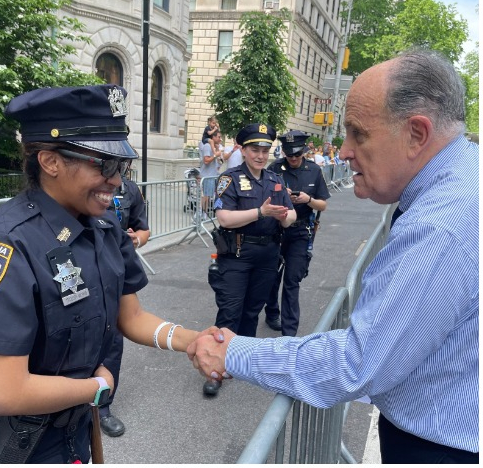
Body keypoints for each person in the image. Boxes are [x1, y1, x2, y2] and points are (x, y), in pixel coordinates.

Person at [188, 50, 479, 464]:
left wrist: (235, 353)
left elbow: (357, 362)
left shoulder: (441, 226)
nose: (344, 152)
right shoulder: (462, 186)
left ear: (417, 134)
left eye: (358, 134)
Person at [0, 85, 224, 463]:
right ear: (50, 161)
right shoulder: (7, 241)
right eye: (104, 164)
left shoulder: (105, 229)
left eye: (122, 166)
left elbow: (132, 317)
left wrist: (193, 339)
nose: (117, 180)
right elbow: (4, 391)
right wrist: (96, 388)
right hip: (22, 442)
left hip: (77, 426)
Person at [203, 123, 296, 398]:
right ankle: (216, 368)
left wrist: (281, 216)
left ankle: (242, 361)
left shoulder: (275, 180)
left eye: (265, 150)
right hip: (237, 255)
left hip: (267, 254)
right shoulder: (229, 178)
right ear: (243, 150)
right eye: (255, 149)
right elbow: (224, 218)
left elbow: (291, 217)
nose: (261, 155)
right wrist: (261, 211)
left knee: (253, 309)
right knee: (230, 310)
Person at [98, 174, 150, 439]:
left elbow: (144, 229)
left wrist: (134, 240)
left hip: (115, 271)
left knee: (112, 342)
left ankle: (102, 407)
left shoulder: (130, 189)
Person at [263, 131, 330, 337]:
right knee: (272, 276)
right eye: (289, 155)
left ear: (304, 152)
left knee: (292, 280)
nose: (293, 158)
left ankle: (289, 332)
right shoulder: (274, 169)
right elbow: (264, 199)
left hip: (301, 231)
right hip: (276, 229)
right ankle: (272, 313)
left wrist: (307, 200)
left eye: (297, 155)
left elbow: (323, 204)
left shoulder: (313, 170)